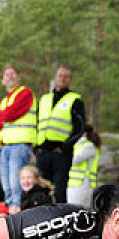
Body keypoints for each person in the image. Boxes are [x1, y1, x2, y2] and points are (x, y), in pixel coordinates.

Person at [34, 65, 86, 203]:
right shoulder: (44, 99)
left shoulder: (75, 100)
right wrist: (35, 147)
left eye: (66, 76)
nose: (62, 79)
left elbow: (79, 128)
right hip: (43, 152)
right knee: (41, 190)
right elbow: (36, 123)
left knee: (59, 190)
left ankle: (61, 219)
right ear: (55, 78)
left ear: (70, 80)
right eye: (60, 75)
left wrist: (64, 147)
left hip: (61, 154)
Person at [0, 65, 37, 213]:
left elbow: (10, 114)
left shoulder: (25, 93)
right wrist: (4, 117)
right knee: (6, 184)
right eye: (6, 75)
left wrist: (4, 117)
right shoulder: (4, 101)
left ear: (18, 77)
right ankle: (11, 209)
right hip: (6, 146)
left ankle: (18, 209)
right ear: (2, 81)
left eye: (13, 74)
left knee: (17, 182)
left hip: (20, 144)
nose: (10, 77)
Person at [66, 124, 102, 208]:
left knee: (80, 210)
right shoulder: (78, 145)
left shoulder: (88, 146)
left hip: (83, 183)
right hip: (74, 183)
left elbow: (74, 160)